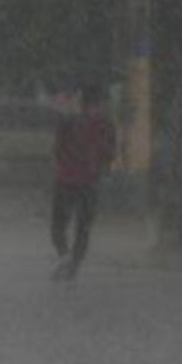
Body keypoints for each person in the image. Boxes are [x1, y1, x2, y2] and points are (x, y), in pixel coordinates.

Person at [51, 84, 117, 281]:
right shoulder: (107, 125)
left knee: (59, 224)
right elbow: (110, 154)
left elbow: (56, 149)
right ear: (101, 104)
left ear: (82, 103)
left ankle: (64, 256)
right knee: (84, 227)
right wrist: (98, 167)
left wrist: (65, 164)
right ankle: (74, 265)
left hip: (66, 179)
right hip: (89, 181)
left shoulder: (67, 122)